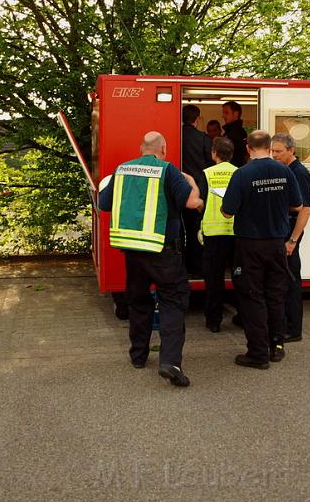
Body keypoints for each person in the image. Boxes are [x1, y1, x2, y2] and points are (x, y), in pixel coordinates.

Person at [98, 131, 203, 387]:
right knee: (173, 301)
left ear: (141, 148)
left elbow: (104, 203)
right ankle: (170, 362)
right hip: (163, 250)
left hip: (132, 251)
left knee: (138, 302)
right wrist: (191, 182)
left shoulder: (122, 170)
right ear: (163, 149)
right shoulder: (169, 170)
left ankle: (138, 356)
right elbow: (192, 202)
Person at [221, 130, 302, 369]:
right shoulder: (284, 171)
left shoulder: (242, 174)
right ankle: (277, 346)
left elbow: (228, 211)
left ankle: (257, 354)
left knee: (252, 297)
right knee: (275, 295)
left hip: (250, 245)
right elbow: (297, 204)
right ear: (268, 147)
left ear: (248, 148)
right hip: (277, 243)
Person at [271, 133, 310, 343]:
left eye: (278, 151)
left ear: (291, 150)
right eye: (272, 151)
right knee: (283, 280)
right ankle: (284, 322)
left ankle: (293, 329)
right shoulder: (285, 170)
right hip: (284, 229)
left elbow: (305, 210)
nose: (274, 155)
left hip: (291, 232)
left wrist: (292, 241)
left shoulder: (299, 173)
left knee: (292, 280)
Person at [197, 136, 236, 333]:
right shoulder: (240, 173)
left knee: (214, 279)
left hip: (213, 233)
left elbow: (200, 201)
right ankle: (243, 316)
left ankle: (214, 321)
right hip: (236, 233)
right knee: (240, 277)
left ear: (214, 153)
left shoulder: (206, 174)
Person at [181, 104, 213, 275]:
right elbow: (210, 163)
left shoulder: (176, 135)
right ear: (197, 119)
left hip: (178, 189)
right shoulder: (203, 138)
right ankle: (196, 266)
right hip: (198, 191)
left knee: (181, 229)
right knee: (197, 229)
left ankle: (182, 263)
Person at [222, 101, 248, 168]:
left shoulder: (238, 133)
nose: (223, 116)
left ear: (236, 114)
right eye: (223, 113)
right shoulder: (228, 132)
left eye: (226, 113)